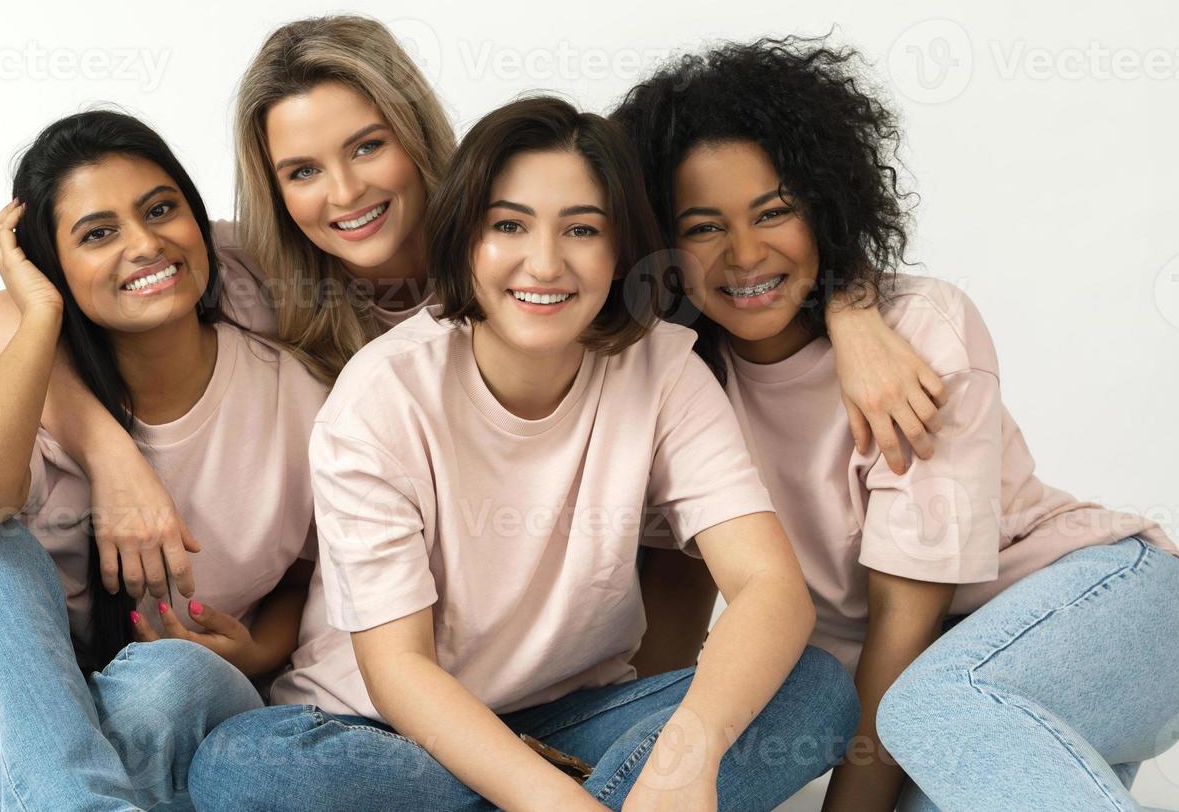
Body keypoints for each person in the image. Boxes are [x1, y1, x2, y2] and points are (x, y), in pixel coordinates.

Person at [188, 97, 859, 811]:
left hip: (572, 719)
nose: (545, 263)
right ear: (465, 240)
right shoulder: (383, 395)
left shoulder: (663, 371)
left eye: (581, 229)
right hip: (384, 734)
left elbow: (769, 588)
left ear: (619, 251)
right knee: (245, 770)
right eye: (509, 225)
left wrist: (683, 759)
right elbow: (400, 670)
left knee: (814, 692)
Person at [614, 36, 1179, 811]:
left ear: (824, 205)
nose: (746, 254)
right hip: (951, 704)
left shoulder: (914, 334)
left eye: (775, 211)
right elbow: (676, 593)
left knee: (930, 705)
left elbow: (903, 627)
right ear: (660, 240)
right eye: (703, 226)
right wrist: (639, 760)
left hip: (1106, 610)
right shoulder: (674, 379)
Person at [0, 110, 325, 811]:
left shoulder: (292, 399)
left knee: (171, 673)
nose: (145, 244)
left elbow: (312, 574)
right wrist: (40, 320)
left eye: (161, 209)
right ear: (54, 268)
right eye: (99, 233)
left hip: (166, 708)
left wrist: (260, 652)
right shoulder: (32, 399)